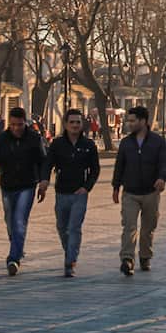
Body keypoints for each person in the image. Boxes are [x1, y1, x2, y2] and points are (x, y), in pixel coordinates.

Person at [0, 106, 47, 276]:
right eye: (13, 125)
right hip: (7, 185)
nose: (16, 128)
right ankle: (17, 245)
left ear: (25, 123)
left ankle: (13, 258)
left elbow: (44, 161)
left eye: (20, 125)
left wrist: (44, 181)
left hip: (28, 185)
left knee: (20, 220)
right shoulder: (2, 139)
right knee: (10, 220)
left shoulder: (34, 139)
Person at [111, 105, 166, 276]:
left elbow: (164, 162)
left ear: (143, 121)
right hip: (130, 192)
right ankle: (127, 259)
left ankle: (145, 256)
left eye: (132, 120)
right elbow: (119, 166)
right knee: (129, 226)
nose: (129, 124)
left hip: (151, 192)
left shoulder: (157, 141)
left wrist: (162, 178)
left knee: (148, 228)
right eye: (128, 121)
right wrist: (116, 187)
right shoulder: (126, 143)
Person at [40, 109, 101, 278]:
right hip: (61, 192)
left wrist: (87, 187)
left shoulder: (88, 145)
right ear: (66, 124)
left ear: (82, 125)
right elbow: (48, 164)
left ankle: (71, 260)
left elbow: (95, 170)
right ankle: (69, 250)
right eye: (72, 122)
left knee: (74, 227)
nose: (75, 125)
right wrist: (44, 180)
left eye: (78, 122)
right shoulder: (58, 144)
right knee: (62, 227)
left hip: (79, 193)